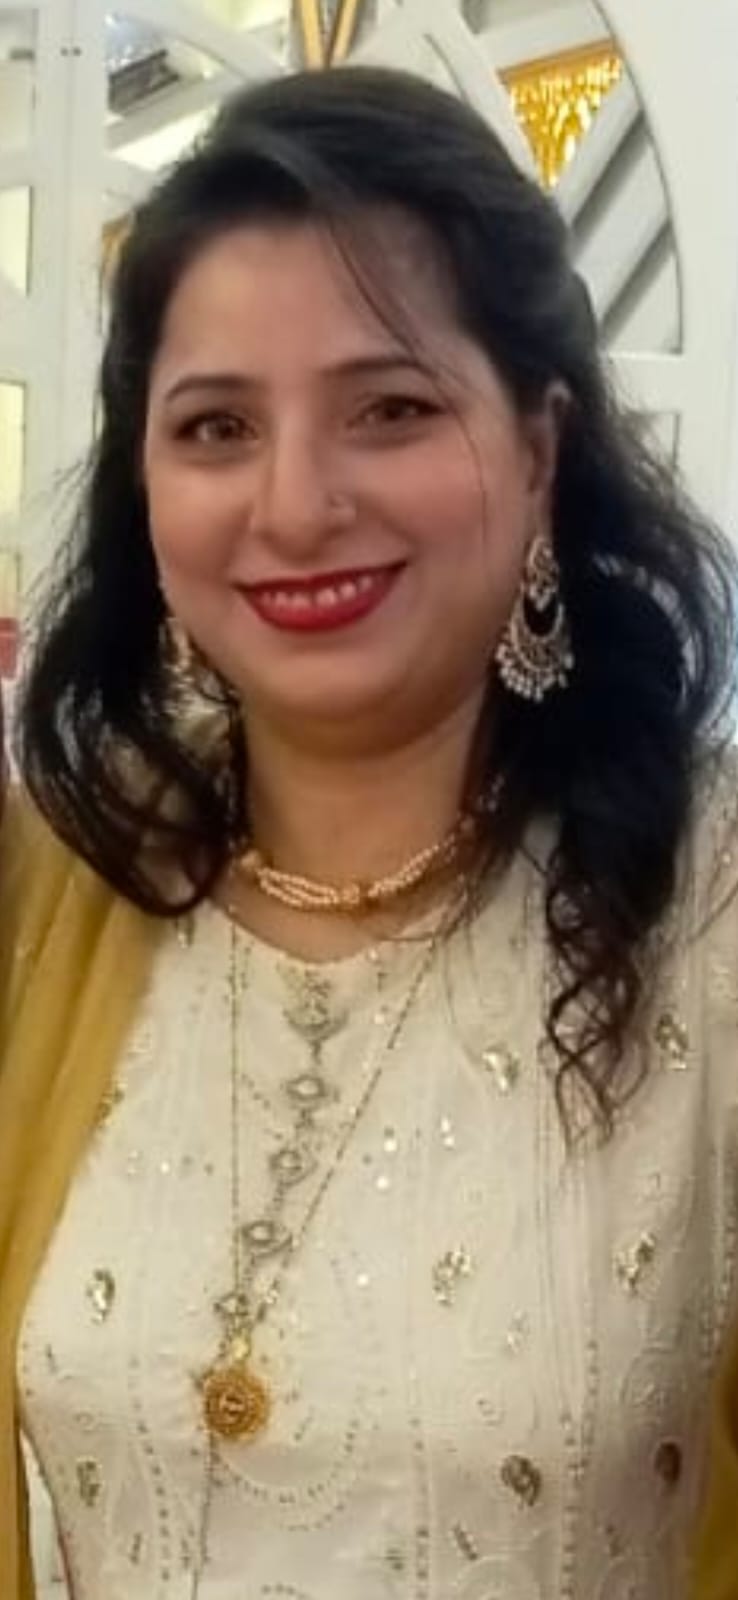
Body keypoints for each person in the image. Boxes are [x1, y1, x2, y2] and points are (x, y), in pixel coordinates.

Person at [1, 63, 737, 1600]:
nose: (293, 505)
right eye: (215, 427)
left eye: (388, 409)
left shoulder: (708, 907)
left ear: (537, 450)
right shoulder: (61, 892)